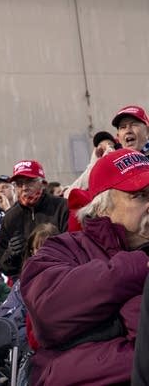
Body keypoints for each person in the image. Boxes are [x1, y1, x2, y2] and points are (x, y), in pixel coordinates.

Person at [21, 148, 149, 385]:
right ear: (102, 207)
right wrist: (139, 265)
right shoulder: (62, 248)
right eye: (139, 195)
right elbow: (48, 311)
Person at [0, 160, 68, 278]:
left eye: (29, 182)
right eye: (19, 184)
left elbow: (75, 248)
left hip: (61, 276)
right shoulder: (10, 218)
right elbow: (3, 267)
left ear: (43, 183)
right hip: (26, 284)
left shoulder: (62, 207)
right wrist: (10, 254)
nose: (24, 187)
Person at [0, 222, 59, 352]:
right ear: (31, 251)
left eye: (48, 248)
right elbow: (4, 317)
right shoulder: (22, 282)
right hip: (25, 344)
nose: (43, 254)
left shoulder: (67, 278)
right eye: (38, 249)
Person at [64, 130, 117, 198]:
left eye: (110, 146)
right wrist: (95, 165)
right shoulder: (93, 169)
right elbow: (68, 194)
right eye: (102, 150)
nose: (107, 151)